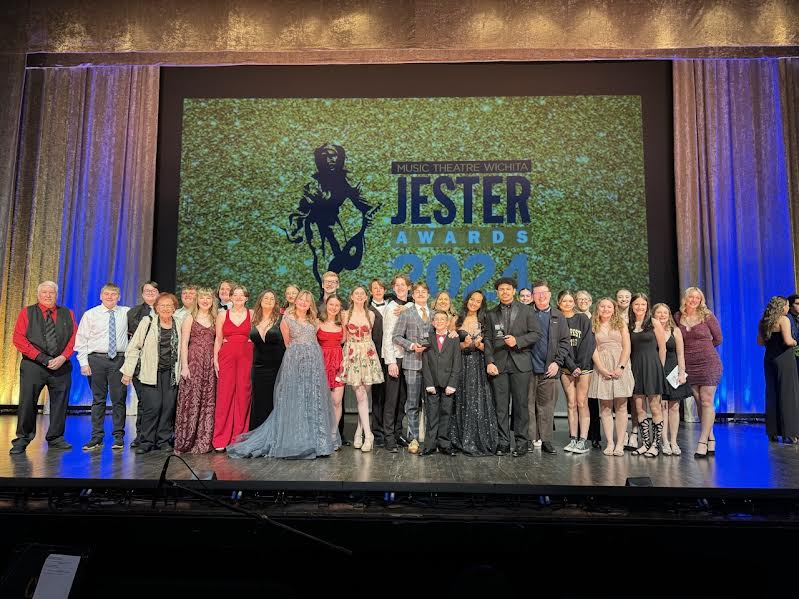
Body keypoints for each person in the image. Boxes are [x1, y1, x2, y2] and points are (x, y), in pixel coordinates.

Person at [226, 290, 339, 458]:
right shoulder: (287, 319)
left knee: (312, 399)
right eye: (301, 300)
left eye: (307, 301)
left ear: (310, 304)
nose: (303, 303)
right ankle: (296, 441)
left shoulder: (314, 320)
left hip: (313, 365)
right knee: (296, 400)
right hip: (295, 363)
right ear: (296, 301)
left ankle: (317, 442)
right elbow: (287, 344)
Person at [10, 281, 77, 454]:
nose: (48, 295)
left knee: (60, 403)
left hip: (61, 365)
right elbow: (19, 339)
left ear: (56, 295)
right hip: (34, 365)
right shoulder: (27, 312)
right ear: (38, 295)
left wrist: (63, 357)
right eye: (44, 292)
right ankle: (22, 439)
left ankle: (56, 437)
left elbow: (75, 338)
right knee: (27, 403)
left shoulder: (68, 313)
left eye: (51, 292)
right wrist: (42, 358)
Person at [484, 277, 543, 457]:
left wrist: (518, 341)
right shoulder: (491, 313)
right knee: (501, 406)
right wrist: (489, 361)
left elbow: (536, 334)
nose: (505, 292)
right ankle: (503, 442)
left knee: (521, 405)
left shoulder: (527, 311)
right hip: (499, 364)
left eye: (508, 289)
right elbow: (487, 339)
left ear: (514, 291)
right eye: (501, 289)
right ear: (497, 292)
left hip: (521, 363)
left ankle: (521, 442)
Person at [121, 292, 182, 454]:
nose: (166, 308)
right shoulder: (147, 322)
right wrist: (127, 372)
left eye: (169, 305)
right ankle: (146, 441)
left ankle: (163, 440)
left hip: (171, 374)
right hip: (150, 372)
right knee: (152, 407)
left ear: (174, 308)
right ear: (156, 308)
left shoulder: (179, 323)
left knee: (167, 408)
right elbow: (134, 347)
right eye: (162, 305)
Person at [75, 283, 130, 451]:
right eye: (107, 294)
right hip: (96, 360)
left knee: (119, 399)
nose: (110, 297)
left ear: (119, 297)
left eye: (114, 294)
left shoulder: (126, 313)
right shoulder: (90, 314)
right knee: (98, 399)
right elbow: (81, 339)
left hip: (119, 360)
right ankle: (96, 437)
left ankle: (118, 437)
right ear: (101, 296)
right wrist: (83, 363)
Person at [674, 287, 723, 458]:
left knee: (707, 401)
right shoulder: (678, 317)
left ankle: (702, 442)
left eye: (697, 298)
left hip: (709, 362)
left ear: (701, 300)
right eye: (691, 297)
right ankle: (710, 437)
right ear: (685, 299)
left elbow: (718, 339)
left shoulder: (707, 316)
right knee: (699, 402)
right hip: (689, 365)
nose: (694, 300)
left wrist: (703, 349)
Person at [449, 290, 499, 456]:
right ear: (467, 300)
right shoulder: (456, 319)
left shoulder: (485, 320)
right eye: (472, 299)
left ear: (481, 304)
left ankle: (479, 439)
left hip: (479, 364)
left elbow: (491, 346)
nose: (474, 303)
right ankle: (460, 439)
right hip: (461, 364)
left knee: (478, 399)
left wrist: (480, 346)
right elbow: (450, 346)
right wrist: (463, 345)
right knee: (462, 399)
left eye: (478, 301)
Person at [527, 280, 570, 455]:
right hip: (527, 369)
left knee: (546, 407)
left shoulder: (558, 316)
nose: (541, 296)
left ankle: (546, 440)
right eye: (538, 293)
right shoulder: (525, 313)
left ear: (550, 295)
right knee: (528, 406)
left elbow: (565, 342)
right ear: (533, 296)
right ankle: (529, 440)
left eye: (544, 292)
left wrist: (557, 362)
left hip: (549, 370)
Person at [392, 280, 435, 455]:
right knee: (412, 403)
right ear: (413, 295)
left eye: (424, 292)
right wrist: (411, 345)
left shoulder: (435, 314)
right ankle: (414, 438)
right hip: (412, 363)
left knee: (431, 403)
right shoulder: (406, 313)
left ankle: (431, 438)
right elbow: (396, 336)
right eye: (417, 292)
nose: (421, 294)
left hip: (432, 365)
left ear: (428, 295)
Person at [340, 286, 384, 452]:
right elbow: (343, 338)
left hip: (368, 355)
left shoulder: (371, 314)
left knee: (364, 397)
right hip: (352, 354)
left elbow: (372, 337)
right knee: (360, 395)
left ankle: (359, 432)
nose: (359, 296)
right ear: (351, 296)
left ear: (366, 297)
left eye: (362, 294)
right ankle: (369, 434)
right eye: (356, 293)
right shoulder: (345, 314)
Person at [588, 298, 634, 456]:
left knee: (621, 406)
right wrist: (601, 368)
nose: (606, 309)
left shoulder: (621, 323)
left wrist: (621, 367)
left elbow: (627, 347)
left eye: (609, 307)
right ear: (598, 308)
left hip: (620, 364)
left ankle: (620, 443)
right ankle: (610, 442)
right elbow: (593, 348)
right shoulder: (593, 324)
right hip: (602, 365)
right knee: (605, 407)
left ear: (614, 309)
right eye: (602, 306)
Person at [174, 287, 218, 454]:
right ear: (197, 300)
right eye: (202, 298)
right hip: (193, 363)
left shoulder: (215, 319)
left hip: (209, 364)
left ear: (212, 301)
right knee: (191, 399)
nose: (205, 301)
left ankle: (204, 440)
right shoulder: (189, 318)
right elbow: (184, 343)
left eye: (208, 298)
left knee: (208, 400)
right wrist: (184, 366)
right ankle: (186, 440)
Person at [213, 285, 254, 450]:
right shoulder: (223, 315)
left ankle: (239, 438)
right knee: (225, 395)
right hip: (227, 356)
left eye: (241, 295)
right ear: (230, 297)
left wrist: (250, 340)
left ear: (246, 298)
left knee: (243, 395)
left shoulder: (252, 314)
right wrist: (215, 360)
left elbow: (257, 334)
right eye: (235, 294)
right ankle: (221, 439)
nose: (238, 297)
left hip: (246, 356)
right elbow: (218, 339)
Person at [628, 293, 667, 457]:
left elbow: (662, 348)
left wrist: (659, 369)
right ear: (632, 306)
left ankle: (656, 445)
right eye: (636, 304)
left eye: (643, 304)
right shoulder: (629, 325)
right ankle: (645, 443)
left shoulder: (654, 323)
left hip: (652, 367)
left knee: (655, 407)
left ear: (647, 306)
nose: (640, 307)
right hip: (635, 368)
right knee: (639, 408)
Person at [557, 290, 595, 454]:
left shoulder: (582, 319)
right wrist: (572, 367)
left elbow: (589, 343)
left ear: (574, 302)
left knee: (582, 403)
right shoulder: (557, 321)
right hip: (567, 368)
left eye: (570, 301)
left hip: (583, 367)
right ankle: (573, 439)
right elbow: (559, 346)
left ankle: (583, 440)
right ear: (558, 303)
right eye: (564, 301)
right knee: (571, 403)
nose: (567, 303)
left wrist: (580, 366)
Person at [758, 296, 799, 443]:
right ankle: (790, 432)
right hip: (784, 358)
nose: (788, 308)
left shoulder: (763, 322)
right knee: (788, 393)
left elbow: (760, 342)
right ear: (781, 307)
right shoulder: (784, 320)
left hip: (769, 358)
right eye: (787, 305)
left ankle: (773, 431)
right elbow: (788, 341)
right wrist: (795, 342)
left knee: (772, 392)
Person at [653, 303, 692, 455]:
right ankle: (664, 442)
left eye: (665, 312)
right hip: (657, 371)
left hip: (673, 371)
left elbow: (680, 354)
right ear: (654, 315)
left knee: (674, 407)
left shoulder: (675, 331)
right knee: (661, 407)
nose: (662, 315)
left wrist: (682, 372)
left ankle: (674, 441)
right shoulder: (651, 331)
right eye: (659, 313)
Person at [422, 311, 462, 455]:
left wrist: (452, 383)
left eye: (442, 319)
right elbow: (425, 362)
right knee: (432, 414)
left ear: (447, 322)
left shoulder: (454, 339)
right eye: (436, 319)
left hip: (447, 383)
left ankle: (444, 444)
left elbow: (457, 362)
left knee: (446, 413)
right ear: (433, 322)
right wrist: (428, 383)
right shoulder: (427, 337)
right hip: (432, 383)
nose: (439, 321)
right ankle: (430, 445)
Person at [382, 273, 412, 453]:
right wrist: (391, 362)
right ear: (393, 288)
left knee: (403, 399)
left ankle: (398, 432)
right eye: (397, 285)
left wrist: (408, 306)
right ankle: (388, 437)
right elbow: (387, 336)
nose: (400, 287)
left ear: (409, 287)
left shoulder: (410, 305)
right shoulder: (391, 308)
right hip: (395, 358)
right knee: (391, 400)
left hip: (409, 358)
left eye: (403, 284)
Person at [127, 280, 158, 448]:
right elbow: (131, 340)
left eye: (154, 290)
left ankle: (158, 436)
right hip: (140, 364)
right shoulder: (134, 313)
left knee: (158, 403)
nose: (150, 293)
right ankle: (141, 436)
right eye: (147, 291)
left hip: (161, 364)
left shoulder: (167, 311)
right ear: (142, 294)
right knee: (143, 401)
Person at [249, 290, 285, 430]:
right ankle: (258, 432)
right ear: (260, 300)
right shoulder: (253, 318)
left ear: (276, 303)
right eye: (266, 298)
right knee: (258, 400)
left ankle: (274, 433)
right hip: (258, 368)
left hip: (276, 368)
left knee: (274, 400)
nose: (268, 300)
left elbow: (288, 343)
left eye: (272, 299)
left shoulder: (281, 319)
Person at [317, 296, 346, 439]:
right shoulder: (318, 322)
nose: (333, 307)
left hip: (338, 364)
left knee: (337, 401)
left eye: (337, 305)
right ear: (326, 305)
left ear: (340, 308)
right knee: (322, 401)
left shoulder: (342, 324)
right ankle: (322, 433)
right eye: (331, 304)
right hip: (321, 363)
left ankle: (333, 434)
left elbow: (345, 342)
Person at [576, 289, 601, 447]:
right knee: (580, 402)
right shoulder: (573, 319)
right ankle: (580, 436)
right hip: (579, 364)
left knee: (592, 401)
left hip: (595, 364)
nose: (583, 301)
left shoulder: (596, 319)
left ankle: (595, 437)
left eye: (586, 299)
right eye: (580, 299)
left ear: (591, 302)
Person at [368, 278, 389, 447]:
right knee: (377, 395)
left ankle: (390, 431)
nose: (378, 290)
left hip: (390, 356)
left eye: (381, 288)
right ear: (371, 291)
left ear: (385, 290)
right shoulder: (367, 310)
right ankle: (377, 432)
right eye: (375, 288)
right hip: (374, 357)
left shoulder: (392, 307)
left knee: (391, 395)